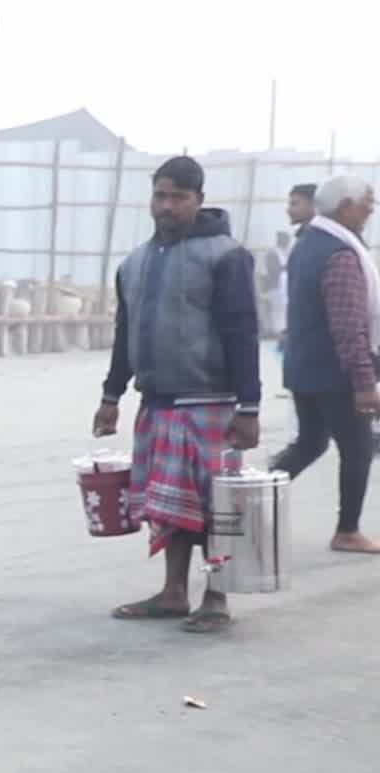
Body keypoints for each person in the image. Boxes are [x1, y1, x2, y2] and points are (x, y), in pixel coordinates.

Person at [95, 156, 260, 633]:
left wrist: (249, 407)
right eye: (160, 196)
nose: (166, 207)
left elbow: (242, 333)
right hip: (160, 402)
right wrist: (111, 397)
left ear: (199, 201)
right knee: (170, 507)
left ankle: (216, 596)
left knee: (215, 508)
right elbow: (125, 333)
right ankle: (172, 593)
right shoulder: (135, 263)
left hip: (212, 404)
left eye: (178, 197)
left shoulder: (227, 256)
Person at [272, 175, 380, 554]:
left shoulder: (309, 243)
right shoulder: (339, 254)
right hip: (334, 374)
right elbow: (348, 326)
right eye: (367, 200)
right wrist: (365, 382)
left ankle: (246, 497)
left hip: (305, 367)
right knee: (358, 448)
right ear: (346, 205)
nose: (371, 208)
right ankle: (347, 530)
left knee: (311, 443)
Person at [262, 230, 292, 340]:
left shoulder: (287, 252)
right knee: (275, 309)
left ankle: (283, 329)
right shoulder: (272, 253)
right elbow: (272, 270)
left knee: (284, 308)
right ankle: (275, 331)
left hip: (286, 284)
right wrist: (284, 267)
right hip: (276, 285)